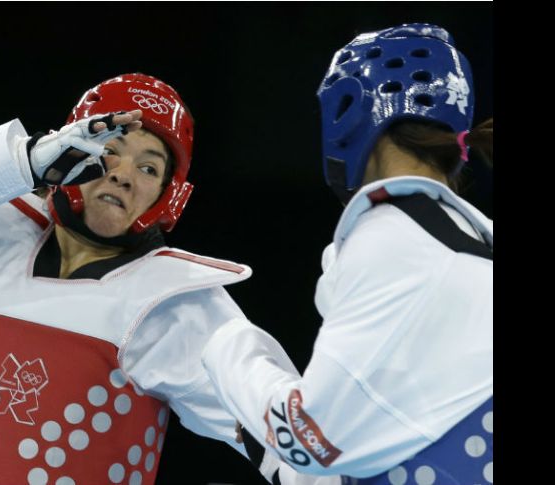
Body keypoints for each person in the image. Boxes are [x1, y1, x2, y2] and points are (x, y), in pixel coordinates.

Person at [0, 73, 337, 485]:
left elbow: (299, 443)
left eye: (149, 167)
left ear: (167, 199)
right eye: (110, 148)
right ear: (67, 152)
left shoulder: (174, 303)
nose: (125, 174)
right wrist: (23, 161)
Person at [201, 24, 493, 484]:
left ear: (349, 111)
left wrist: (224, 345)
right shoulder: (468, 245)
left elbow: (309, 439)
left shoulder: (395, 237)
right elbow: (383, 436)